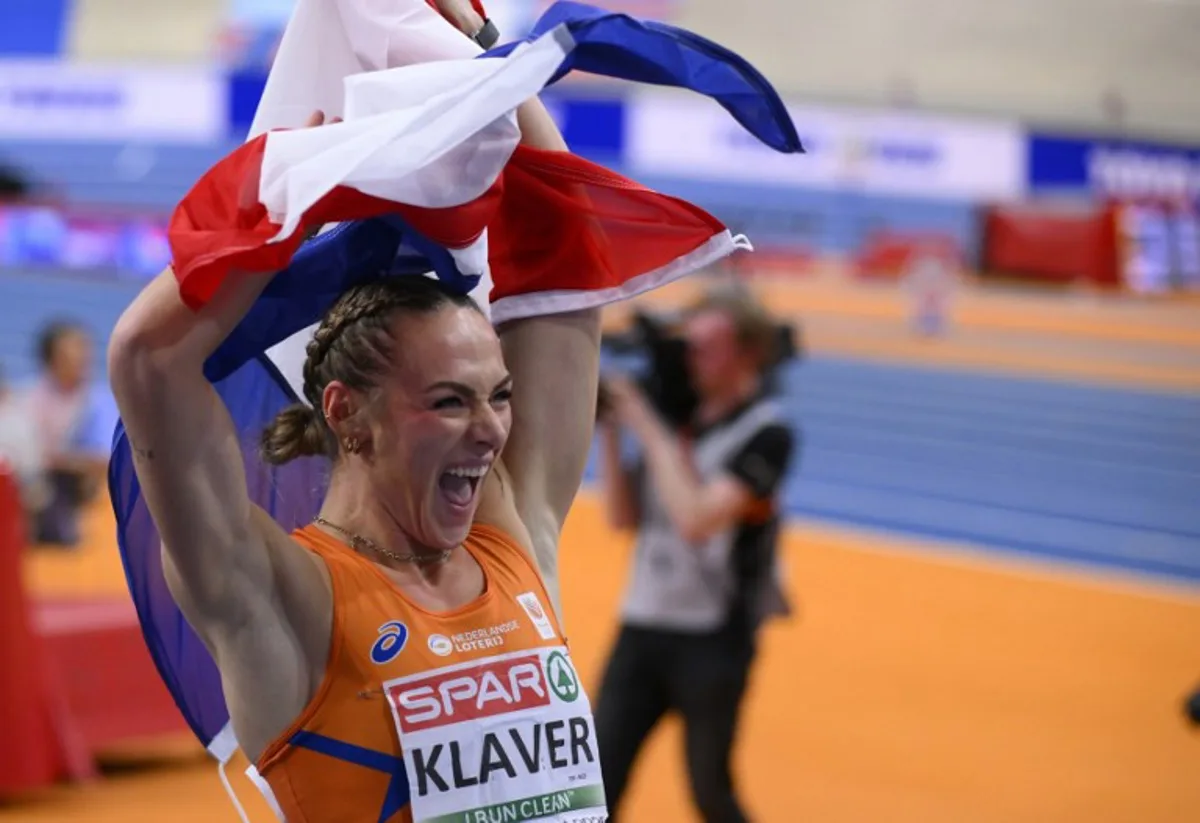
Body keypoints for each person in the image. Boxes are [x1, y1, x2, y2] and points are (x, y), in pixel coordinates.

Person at [595, 287, 798, 823]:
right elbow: (622, 518)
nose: (691, 357)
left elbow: (696, 519)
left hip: (713, 637)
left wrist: (645, 423)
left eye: (706, 347)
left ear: (748, 354)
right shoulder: (677, 419)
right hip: (641, 624)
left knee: (710, 794)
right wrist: (612, 433)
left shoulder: (769, 434)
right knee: (594, 789)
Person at [24, 321, 116, 545]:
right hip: (35, 484)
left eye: (84, 349)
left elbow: (103, 459)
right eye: (72, 351)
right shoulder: (29, 399)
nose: (82, 357)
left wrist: (59, 460)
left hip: (79, 492)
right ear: (51, 358)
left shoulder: (99, 401)